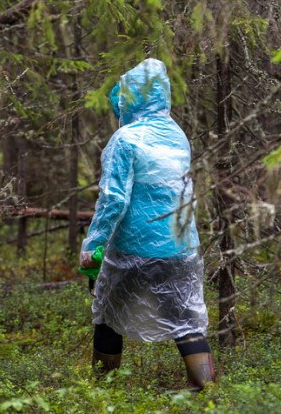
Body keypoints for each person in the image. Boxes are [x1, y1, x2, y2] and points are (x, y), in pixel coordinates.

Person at [79, 58, 215, 390]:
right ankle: (206, 389)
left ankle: (102, 389)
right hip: (181, 247)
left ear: (130, 99)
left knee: (108, 315)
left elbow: (113, 199)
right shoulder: (178, 135)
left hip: (132, 249)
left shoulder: (125, 140)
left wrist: (93, 244)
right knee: (186, 320)